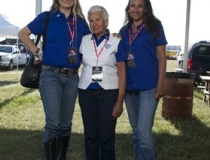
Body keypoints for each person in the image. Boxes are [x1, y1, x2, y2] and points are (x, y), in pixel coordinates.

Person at [18, 0, 90, 159]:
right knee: (53, 124)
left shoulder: (81, 23)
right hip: (51, 76)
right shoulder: (47, 18)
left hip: (72, 78)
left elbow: (92, 46)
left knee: (65, 125)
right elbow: (22, 33)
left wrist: (112, 36)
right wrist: (38, 52)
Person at [119, 0, 167, 159]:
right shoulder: (124, 31)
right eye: (133, 5)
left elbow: (161, 57)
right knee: (135, 132)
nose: (136, 9)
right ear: (128, 9)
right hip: (130, 88)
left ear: (146, 8)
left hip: (149, 86)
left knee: (143, 132)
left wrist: (160, 85)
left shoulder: (155, 27)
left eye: (140, 6)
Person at [78, 5, 126, 160]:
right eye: (91, 21)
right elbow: (73, 61)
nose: (94, 24)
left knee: (106, 136)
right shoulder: (84, 40)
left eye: (98, 20)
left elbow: (122, 72)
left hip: (108, 93)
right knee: (90, 135)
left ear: (106, 21)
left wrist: (120, 101)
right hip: (86, 92)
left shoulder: (116, 41)